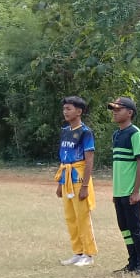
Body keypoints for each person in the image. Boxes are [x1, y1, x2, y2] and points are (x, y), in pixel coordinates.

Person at [106, 97, 140, 275]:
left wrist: (136, 191)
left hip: (131, 191)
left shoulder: (135, 133)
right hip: (119, 191)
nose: (115, 113)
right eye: (113, 110)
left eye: (119, 109)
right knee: (124, 228)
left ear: (130, 113)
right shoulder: (116, 135)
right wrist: (115, 192)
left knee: (135, 227)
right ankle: (132, 261)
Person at [55, 96, 98, 267]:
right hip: (66, 177)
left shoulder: (85, 132)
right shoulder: (65, 131)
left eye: (69, 109)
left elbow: (89, 160)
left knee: (82, 217)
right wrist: (60, 183)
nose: (65, 112)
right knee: (70, 217)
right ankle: (77, 252)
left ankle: (88, 254)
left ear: (79, 111)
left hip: (79, 177)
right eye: (64, 109)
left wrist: (85, 186)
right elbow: (64, 159)